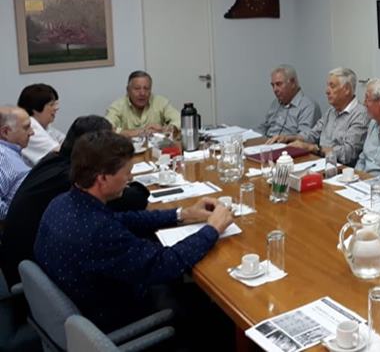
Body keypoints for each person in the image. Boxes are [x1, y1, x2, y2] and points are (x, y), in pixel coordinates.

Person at [34, 130, 233, 332]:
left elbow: (124, 219)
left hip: (82, 303)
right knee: (216, 309)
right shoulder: (99, 232)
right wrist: (212, 229)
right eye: (127, 172)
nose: (130, 178)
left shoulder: (62, 203)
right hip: (115, 319)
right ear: (102, 178)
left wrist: (183, 213)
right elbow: (164, 264)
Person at [1, 115, 149, 287]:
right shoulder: (72, 177)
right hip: (33, 272)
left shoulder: (53, 159)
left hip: (30, 260)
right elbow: (135, 200)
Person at [269, 68, 368, 166]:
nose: (327, 91)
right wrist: (288, 138)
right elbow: (313, 134)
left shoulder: (360, 114)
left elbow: (347, 154)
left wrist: (312, 148)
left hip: (341, 169)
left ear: (346, 89)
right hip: (321, 163)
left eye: (332, 86)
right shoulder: (331, 111)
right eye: (327, 86)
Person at [106, 70, 180, 137]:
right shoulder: (117, 106)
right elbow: (105, 128)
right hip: (127, 147)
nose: (142, 93)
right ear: (128, 90)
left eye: (146, 88)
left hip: (157, 147)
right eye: (137, 88)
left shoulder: (160, 102)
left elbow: (180, 120)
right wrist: (134, 132)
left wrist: (164, 129)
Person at [257, 64, 321, 139]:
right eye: (273, 85)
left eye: (278, 84)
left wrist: (285, 139)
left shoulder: (308, 106)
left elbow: (305, 138)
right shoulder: (275, 103)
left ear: (293, 83)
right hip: (267, 143)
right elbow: (264, 126)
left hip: (287, 145)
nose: (275, 89)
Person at [17, 83, 65, 165]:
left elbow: (66, 141)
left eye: (55, 104)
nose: (56, 108)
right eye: (51, 104)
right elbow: (59, 152)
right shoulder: (30, 127)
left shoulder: (45, 126)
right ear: (36, 108)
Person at [0, 106, 34, 220]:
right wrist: (14, 217)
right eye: (26, 127)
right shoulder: (3, 158)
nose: (32, 132)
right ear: (5, 132)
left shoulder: (10, 153)